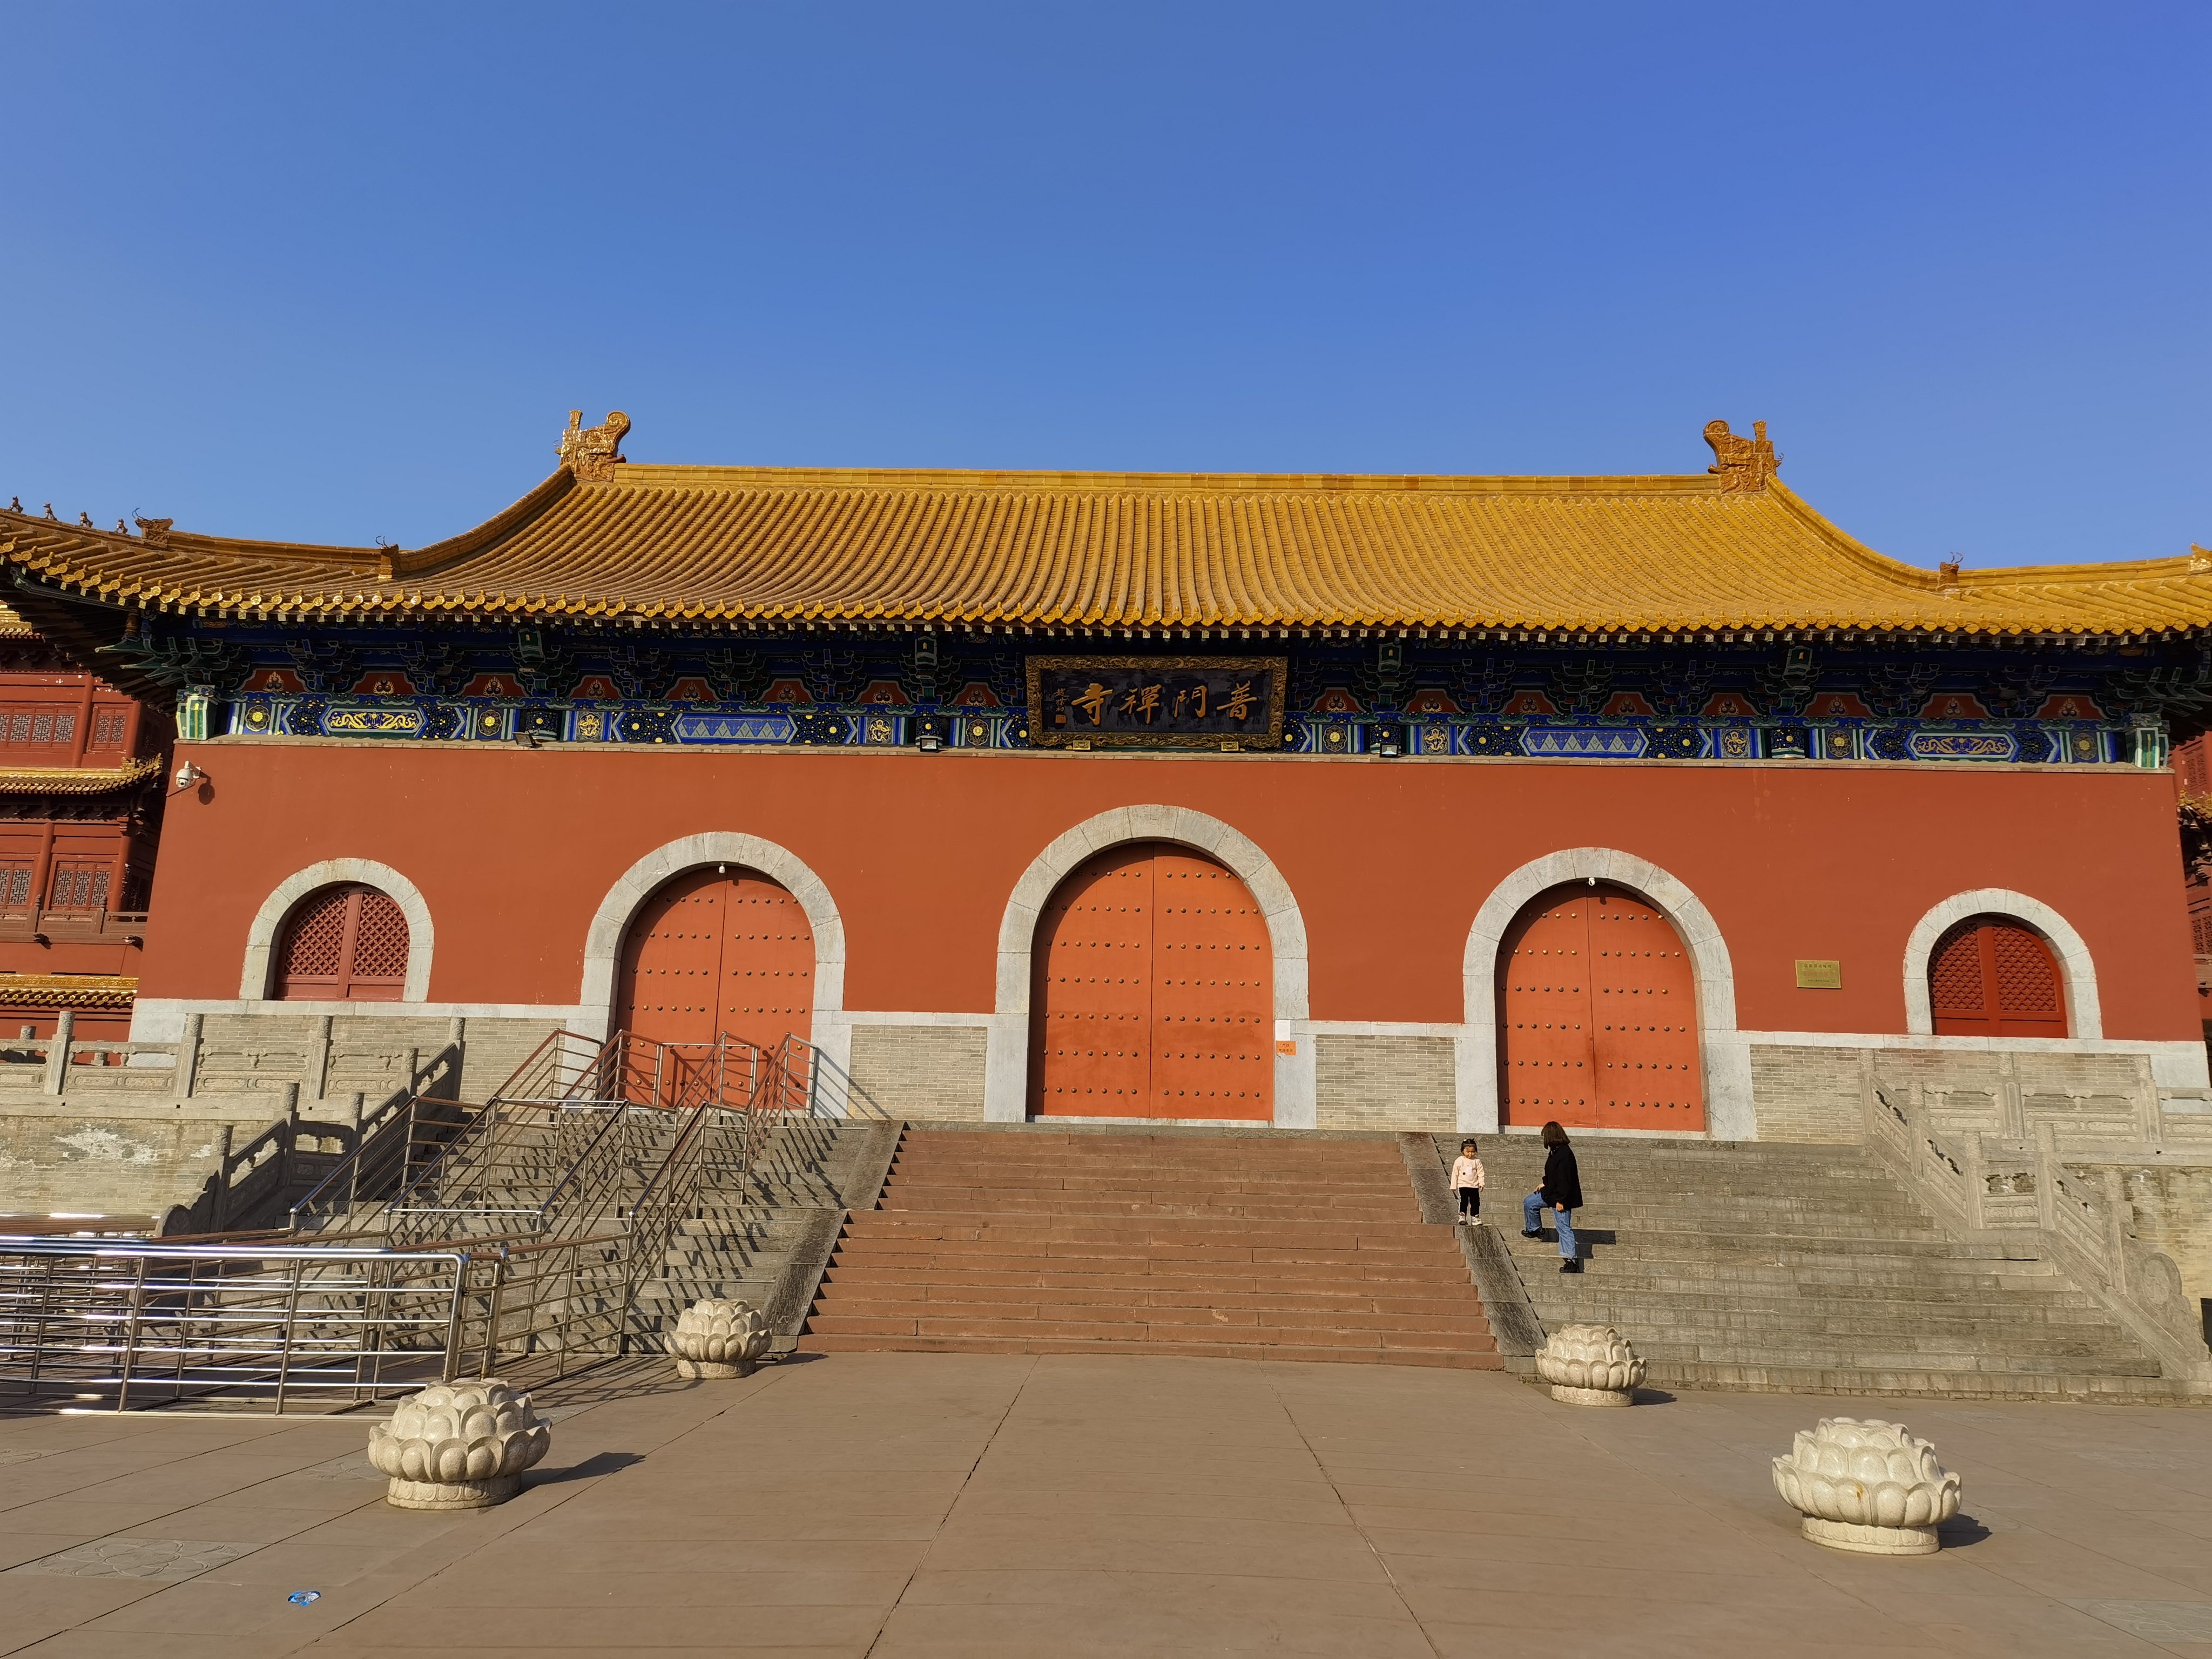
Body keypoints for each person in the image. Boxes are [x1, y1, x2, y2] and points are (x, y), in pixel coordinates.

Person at [1521, 1121, 1584, 1273]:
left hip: (1562, 1197)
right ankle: (1535, 1229)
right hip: (1551, 1192)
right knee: (1530, 1202)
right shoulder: (1555, 1151)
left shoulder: (1564, 1153)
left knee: (1563, 1227)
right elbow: (1553, 1174)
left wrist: (1561, 1201)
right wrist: (1544, 1183)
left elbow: (1565, 1179)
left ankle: (1572, 1261)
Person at [1449, 1138, 1485, 1224]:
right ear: (1463, 1151)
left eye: (1473, 1151)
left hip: (1474, 1186)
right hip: (1463, 1185)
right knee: (1464, 1201)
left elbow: (1481, 1173)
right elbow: (1455, 1173)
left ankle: (1475, 1217)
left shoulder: (1477, 1161)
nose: (1470, 1154)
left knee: (1475, 1202)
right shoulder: (1459, 1161)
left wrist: (1481, 1183)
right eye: (1468, 1152)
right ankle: (1462, 1216)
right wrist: (1454, 1185)